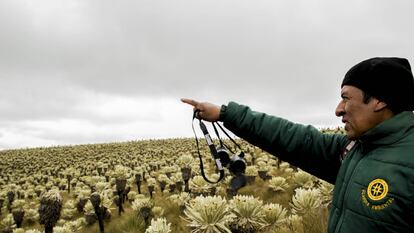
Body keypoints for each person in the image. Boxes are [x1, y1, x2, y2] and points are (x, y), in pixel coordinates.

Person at [181, 57, 414, 233]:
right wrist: (225, 114)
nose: (338, 109)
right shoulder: (355, 148)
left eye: (346, 97)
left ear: (379, 101)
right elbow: (294, 138)